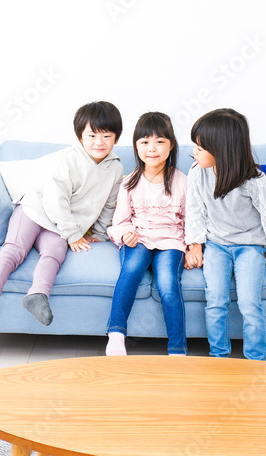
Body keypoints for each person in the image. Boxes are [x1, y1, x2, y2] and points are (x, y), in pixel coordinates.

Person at [0, 101, 125, 342]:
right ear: (80, 137)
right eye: (92, 135)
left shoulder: (115, 168)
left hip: (58, 224)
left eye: (107, 136)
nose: (99, 142)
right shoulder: (70, 159)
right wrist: (73, 234)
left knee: (54, 252)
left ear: (116, 138)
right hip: (35, 209)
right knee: (14, 250)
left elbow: (108, 205)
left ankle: (37, 296)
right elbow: (54, 199)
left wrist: (100, 233)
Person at [184, 108, 266, 361]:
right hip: (216, 245)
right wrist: (195, 244)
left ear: (222, 150)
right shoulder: (197, 172)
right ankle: (219, 356)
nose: (194, 152)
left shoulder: (255, 180)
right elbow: (195, 210)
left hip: (249, 246)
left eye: (200, 147)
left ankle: (256, 360)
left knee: (249, 303)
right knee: (215, 301)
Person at [105, 112, 189, 356]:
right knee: (131, 270)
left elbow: (191, 221)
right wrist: (126, 234)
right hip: (139, 238)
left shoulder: (182, 181)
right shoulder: (130, 182)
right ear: (136, 146)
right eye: (145, 142)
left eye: (160, 141)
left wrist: (195, 247)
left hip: (170, 241)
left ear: (171, 145)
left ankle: (177, 349)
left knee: (168, 284)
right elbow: (120, 221)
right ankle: (116, 335)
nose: (152, 148)